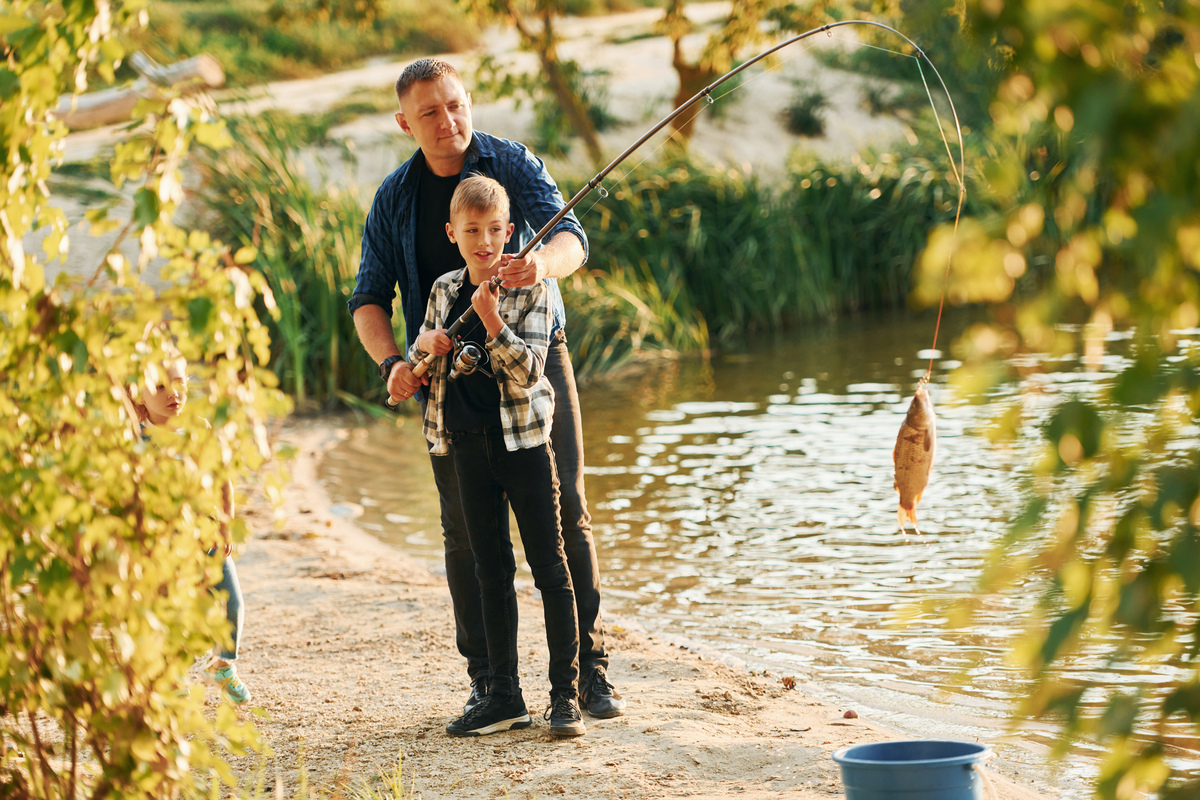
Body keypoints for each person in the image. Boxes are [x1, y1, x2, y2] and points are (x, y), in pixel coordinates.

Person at [349, 57, 625, 719]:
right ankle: (495, 687)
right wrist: (394, 365)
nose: (447, 122)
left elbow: (572, 238)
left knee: (567, 515)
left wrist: (539, 265)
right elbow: (367, 299)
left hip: (532, 362)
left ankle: (590, 672)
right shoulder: (395, 198)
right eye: (429, 113)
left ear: (467, 101)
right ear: (404, 123)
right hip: (446, 384)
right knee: (466, 536)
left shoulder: (512, 161)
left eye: (454, 105)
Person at [413, 175, 583, 736]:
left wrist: (491, 320)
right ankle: (505, 696)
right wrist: (423, 347)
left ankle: (565, 696)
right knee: (491, 572)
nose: (484, 242)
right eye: (471, 231)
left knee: (550, 568)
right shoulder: (443, 289)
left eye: (493, 230)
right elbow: (427, 350)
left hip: (524, 445)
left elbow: (530, 369)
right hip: (466, 444)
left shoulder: (529, 286)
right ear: (453, 234)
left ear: (510, 231)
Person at [131, 352, 251, 705]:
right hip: (163, 542)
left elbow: (223, 479)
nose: (174, 392)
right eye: (160, 386)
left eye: (180, 382)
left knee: (233, 602)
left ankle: (223, 664)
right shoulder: (138, 436)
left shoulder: (200, 429)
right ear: (140, 397)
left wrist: (226, 522)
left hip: (207, 534)